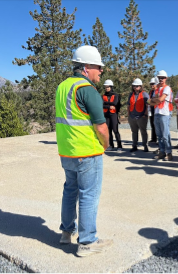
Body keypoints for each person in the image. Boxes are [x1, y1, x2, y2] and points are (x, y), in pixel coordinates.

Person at [55, 45, 113, 257]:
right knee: (89, 195)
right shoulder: (87, 90)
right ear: (86, 67)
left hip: (67, 152)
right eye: (98, 67)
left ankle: (66, 232)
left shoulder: (62, 87)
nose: (101, 71)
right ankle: (87, 241)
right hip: (87, 152)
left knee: (70, 191)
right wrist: (105, 145)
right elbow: (101, 127)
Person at [149, 70, 174, 161]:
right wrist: (156, 100)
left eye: (163, 78)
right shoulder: (157, 89)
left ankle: (169, 153)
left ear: (166, 78)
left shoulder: (167, 88)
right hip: (157, 112)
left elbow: (160, 100)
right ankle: (162, 152)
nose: (161, 79)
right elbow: (150, 101)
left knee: (165, 135)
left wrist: (156, 100)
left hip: (164, 113)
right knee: (159, 135)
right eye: (160, 78)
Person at [127, 78, 149, 153]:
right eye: (134, 86)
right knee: (134, 132)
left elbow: (148, 105)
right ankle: (134, 146)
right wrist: (129, 115)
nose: (135, 87)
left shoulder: (144, 94)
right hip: (132, 117)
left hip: (141, 117)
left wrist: (145, 114)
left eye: (137, 86)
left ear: (140, 86)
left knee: (143, 132)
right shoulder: (131, 94)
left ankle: (145, 146)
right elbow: (128, 105)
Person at [102, 80, 123, 152]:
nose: (106, 88)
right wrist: (108, 106)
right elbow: (101, 104)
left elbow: (115, 103)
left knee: (115, 130)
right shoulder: (103, 95)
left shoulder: (115, 95)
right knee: (108, 130)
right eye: (105, 87)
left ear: (111, 87)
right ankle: (111, 145)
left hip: (113, 114)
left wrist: (106, 103)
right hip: (106, 114)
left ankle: (119, 146)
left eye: (108, 87)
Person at [148, 77, 158, 143]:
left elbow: (157, 100)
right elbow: (148, 100)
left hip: (157, 109)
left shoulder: (158, 91)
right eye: (151, 84)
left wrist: (151, 101)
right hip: (151, 109)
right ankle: (153, 138)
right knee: (152, 124)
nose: (152, 85)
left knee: (157, 125)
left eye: (153, 84)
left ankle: (158, 139)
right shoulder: (151, 92)